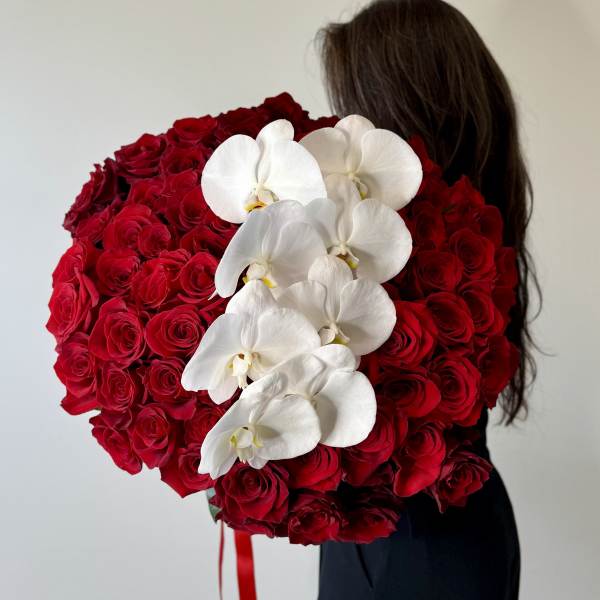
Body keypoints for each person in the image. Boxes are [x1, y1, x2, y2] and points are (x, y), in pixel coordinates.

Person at [317, 1, 539, 599]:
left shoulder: (420, 264)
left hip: (418, 554)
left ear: (396, 116)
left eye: (351, 108)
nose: (340, 128)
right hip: (431, 537)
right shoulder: (464, 243)